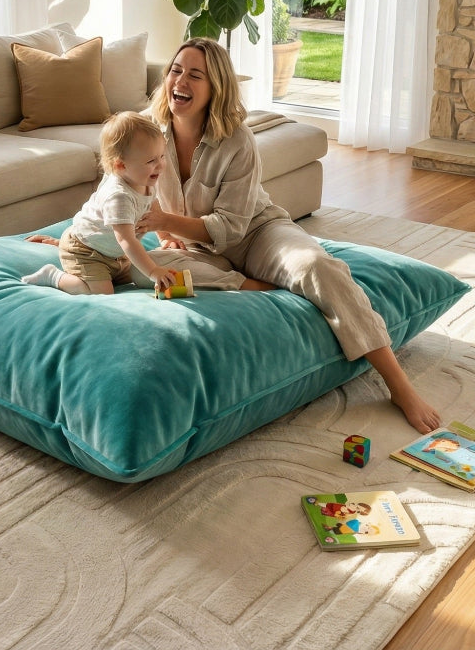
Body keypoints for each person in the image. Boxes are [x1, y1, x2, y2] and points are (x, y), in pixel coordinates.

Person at [135, 37, 441, 434]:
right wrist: (90, 238)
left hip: (255, 232)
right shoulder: (147, 129)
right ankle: (248, 285)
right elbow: (121, 188)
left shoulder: (237, 139)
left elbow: (230, 227)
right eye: (176, 71)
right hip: (197, 246)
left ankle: (398, 385)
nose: (182, 81)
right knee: (140, 267)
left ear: (216, 88)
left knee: (318, 266)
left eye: (196, 75)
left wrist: (168, 222)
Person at [22, 111, 250, 296]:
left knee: (130, 275)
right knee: (102, 292)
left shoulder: (142, 178)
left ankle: (65, 248)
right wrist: (153, 271)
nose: (161, 166)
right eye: (151, 161)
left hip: (111, 254)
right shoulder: (118, 196)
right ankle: (53, 276)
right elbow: (126, 239)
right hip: (86, 251)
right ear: (120, 166)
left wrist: (167, 237)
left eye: (162, 156)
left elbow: (154, 207)